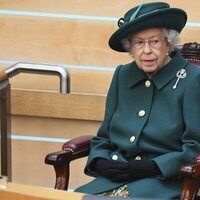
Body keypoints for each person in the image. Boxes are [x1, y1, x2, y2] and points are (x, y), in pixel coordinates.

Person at [75, 2, 200, 199]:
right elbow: (103, 138)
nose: (146, 50)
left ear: (169, 43)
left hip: (162, 184)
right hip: (112, 179)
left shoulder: (192, 79)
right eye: (139, 43)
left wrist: (150, 167)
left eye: (155, 41)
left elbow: (195, 147)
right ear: (130, 47)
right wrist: (101, 162)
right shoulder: (122, 75)